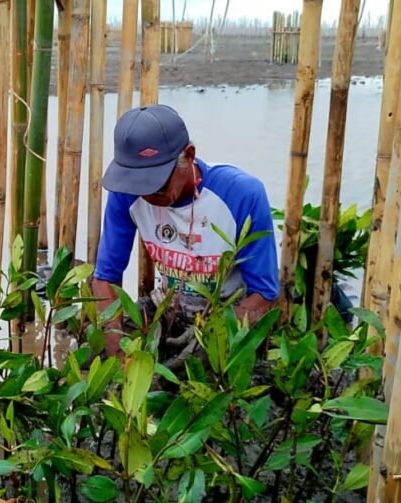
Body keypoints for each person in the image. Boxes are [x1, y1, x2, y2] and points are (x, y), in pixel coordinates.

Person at [92, 104, 279, 358]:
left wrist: (214, 338)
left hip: (229, 312)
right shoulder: (126, 194)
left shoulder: (241, 195)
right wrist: (116, 351)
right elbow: (105, 278)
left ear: (188, 156)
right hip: (168, 306)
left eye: (157, 185)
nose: (147, 196)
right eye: (138, 185)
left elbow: (265, 294)